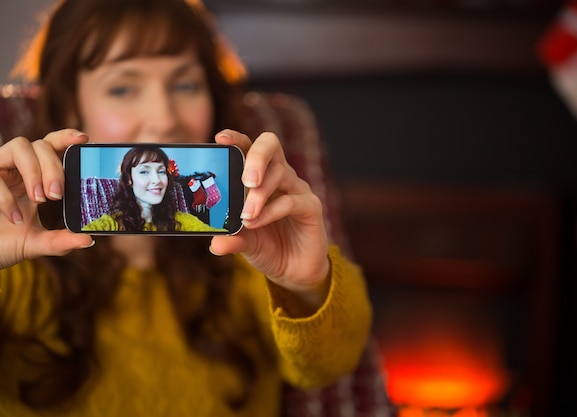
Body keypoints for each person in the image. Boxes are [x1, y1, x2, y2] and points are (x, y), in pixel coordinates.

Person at [0, 0, 372, 416]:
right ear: (70, 107)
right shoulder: (18, 257)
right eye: (123, 88)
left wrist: (308, 284)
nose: (164, 118)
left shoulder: (250, 245)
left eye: (185, 85)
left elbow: (331, 366)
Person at [82, 146, 226, 232]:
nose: (157, 180)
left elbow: (210, 233)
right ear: (129, 180)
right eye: (144, 171)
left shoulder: (181, 220)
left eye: (161, 171)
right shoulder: (110, 223)